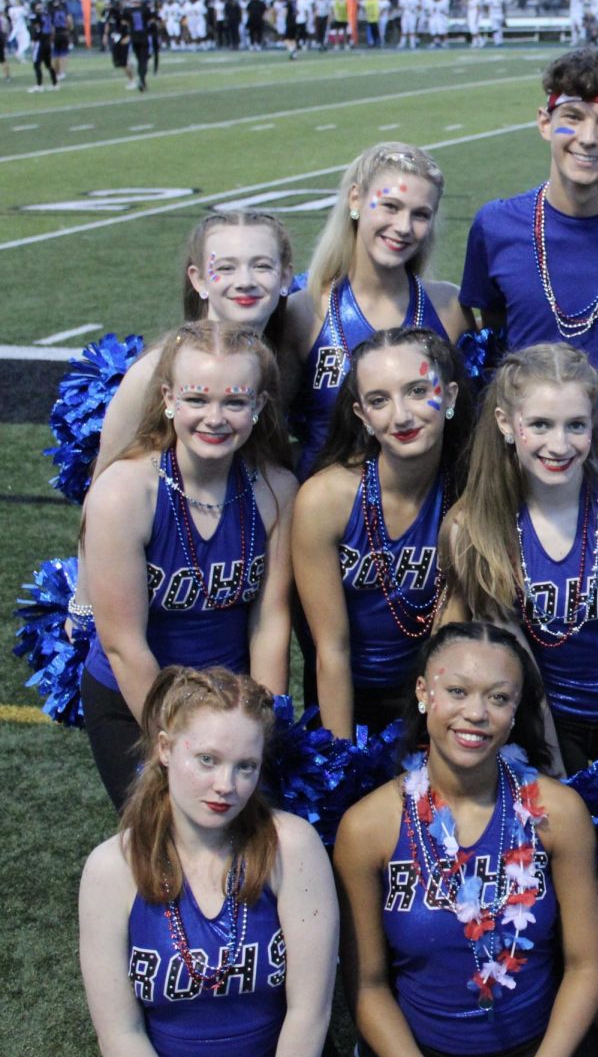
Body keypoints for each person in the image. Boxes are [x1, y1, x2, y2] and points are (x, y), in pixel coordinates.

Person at [333, 622, 598, 1057]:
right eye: (458, 691)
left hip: (540, 1053)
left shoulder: (559, 814)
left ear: (516, 710)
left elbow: (587, 966)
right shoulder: (367, 828)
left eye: (498, 697)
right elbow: (366, 987)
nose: (476, 713)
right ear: (424, 693)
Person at [79, 320, 297, 810]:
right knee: (167, 849)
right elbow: (123, 643)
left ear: (259, 406)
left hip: (235, 702)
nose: (215, 418)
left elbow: (269, 623)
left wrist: (257, 728)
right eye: (197, 400)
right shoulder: (122, 493)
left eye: (235, 402)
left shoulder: (277, 490)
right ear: (169, 398)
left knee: (252, 845)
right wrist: (179, 746)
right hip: (137, 699)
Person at [79, 666, 338, 1057]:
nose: (225, 784)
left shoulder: (294, 847)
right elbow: (119, 1033)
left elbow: (310, 1012)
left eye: (245, 766)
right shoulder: (111, 869)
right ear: (165, 749)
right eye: (207, 760)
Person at [444, 343, 598, 771]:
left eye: (575, 425)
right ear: (506, 424)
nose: (559, 444)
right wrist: (555, 779)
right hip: (546, 720)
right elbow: (522, 677)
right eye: (540, 424)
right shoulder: (476, 528)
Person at [460, 48, 598, 485]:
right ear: (545, 122)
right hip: (527, 474)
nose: (589, 137)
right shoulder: (497, 225)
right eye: (572, 117)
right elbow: (497, 340)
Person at [292, 328, 472, 741]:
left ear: (450, 396)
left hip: (438, 691)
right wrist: (342, 760)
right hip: (345, 692)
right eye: (379, 400)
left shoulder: (470, 494)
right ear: (361, 416)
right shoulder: (325, 499)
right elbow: (331, 651)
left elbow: (448, 646)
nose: (402, 416)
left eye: (416, 391)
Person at [284, 142, 472, 480]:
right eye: (390, 206)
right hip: (329, 521)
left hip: (430, 513)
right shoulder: (303, 311)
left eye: (420, 214)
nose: (403, 227)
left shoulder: (450, 309)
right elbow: (268, 436)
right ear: (355, 199)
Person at [94, 211, 295, 477]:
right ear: (199, 279)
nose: (245, 282)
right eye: (225, 268)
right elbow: (102, 487)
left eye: (262, 266)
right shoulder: (153, 371)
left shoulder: (287, 361)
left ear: (285, 277)